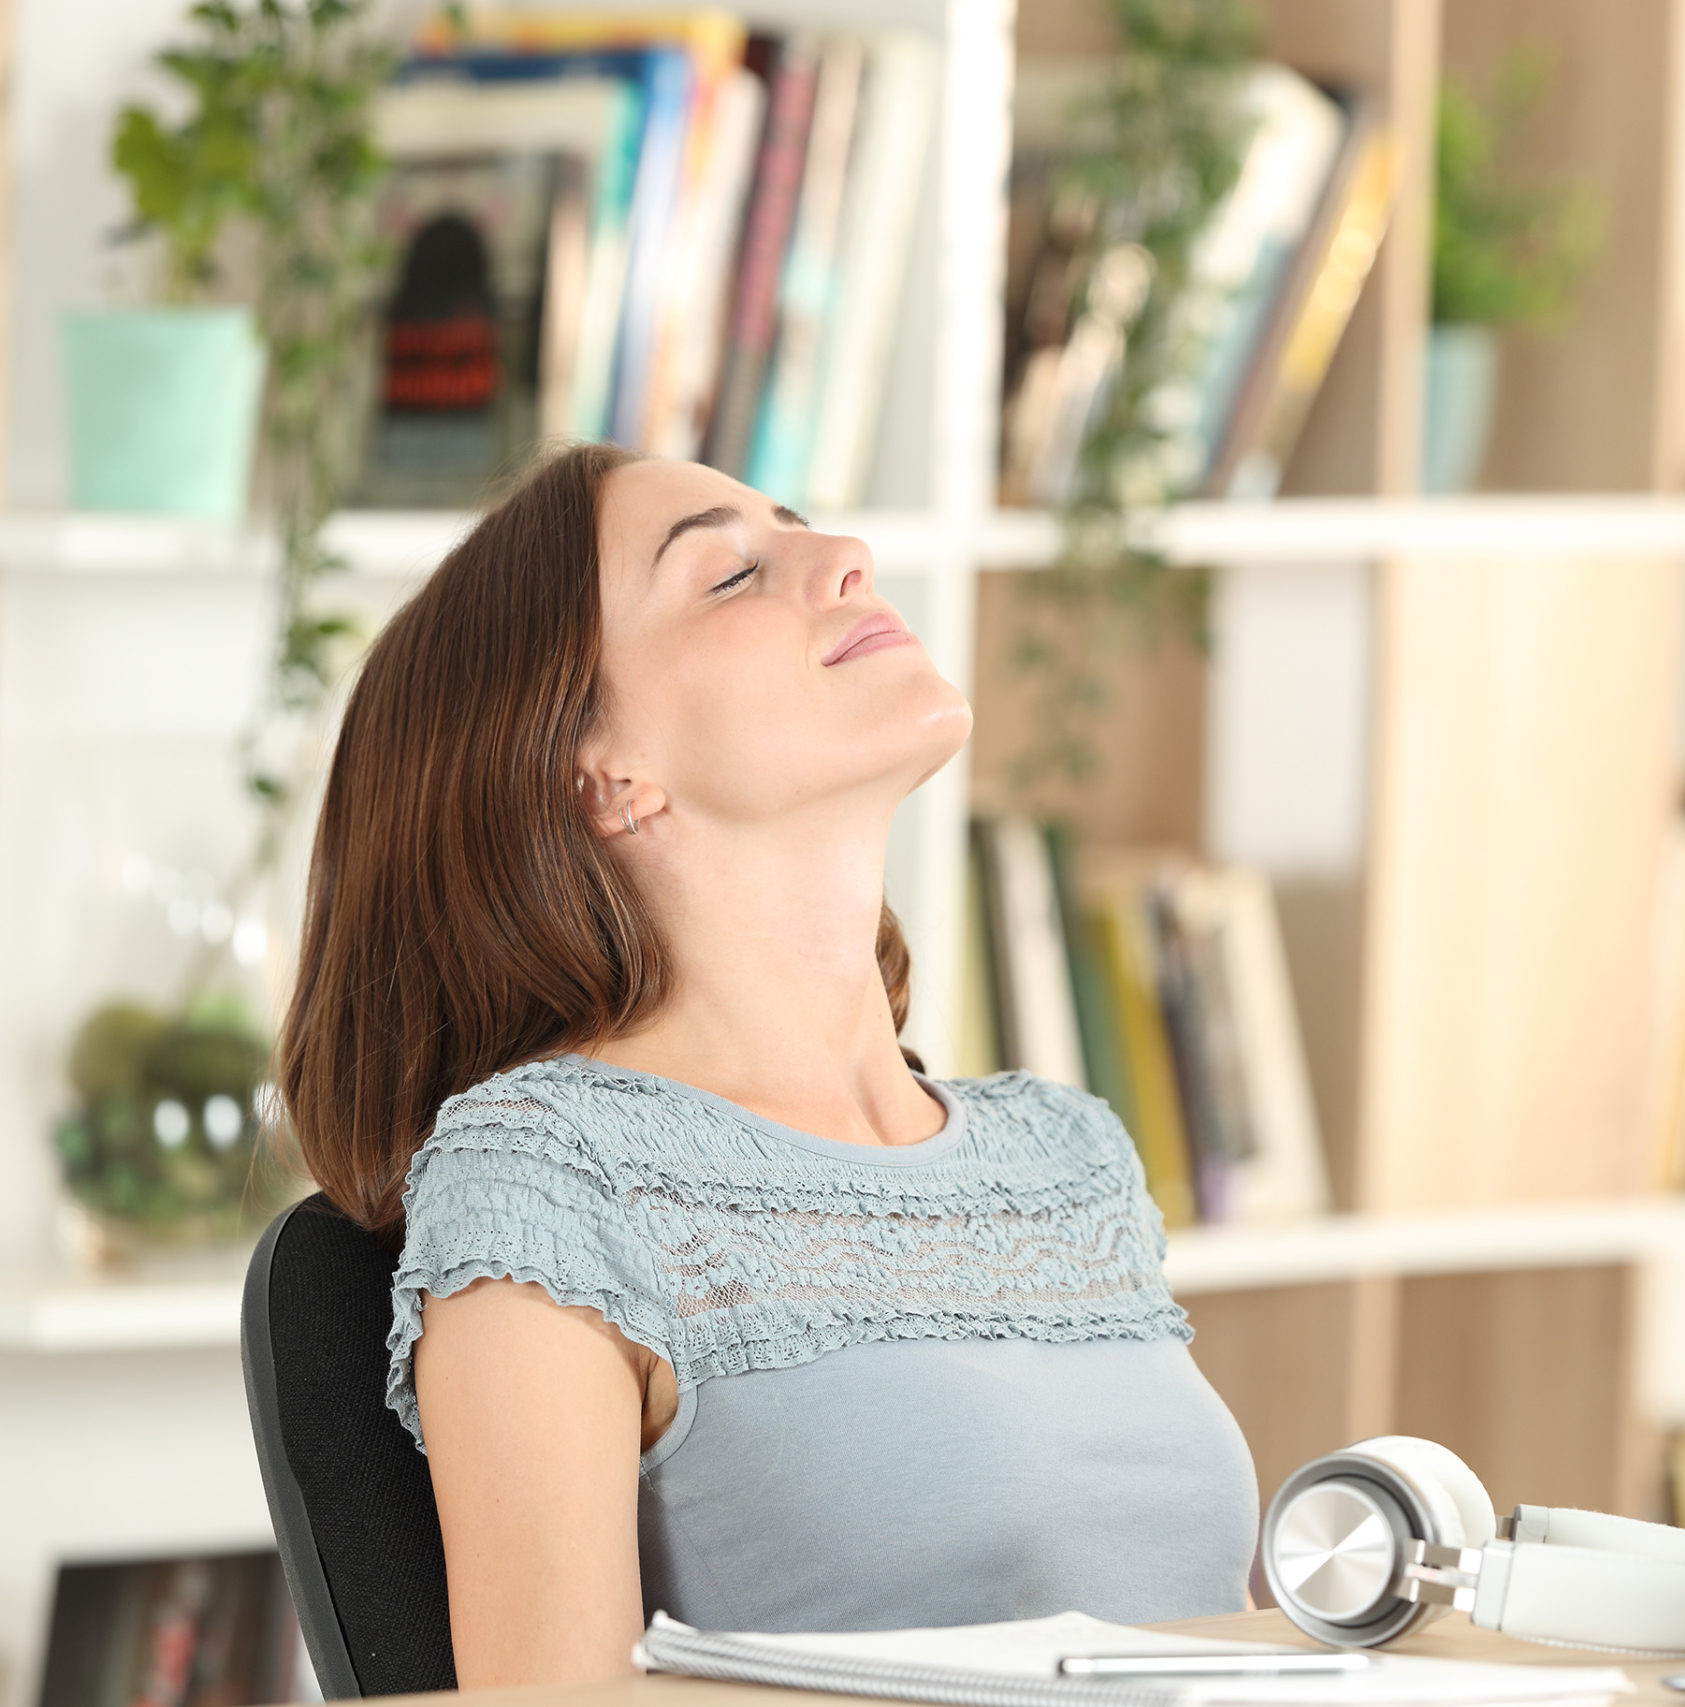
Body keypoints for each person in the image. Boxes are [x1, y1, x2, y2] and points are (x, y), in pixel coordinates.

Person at [275, 444, 1257, 1685]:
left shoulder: (1066, 1159)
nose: (846, 559)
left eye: (806, 530)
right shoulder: (549, 1175)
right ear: (601, 773)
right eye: (731, 574)